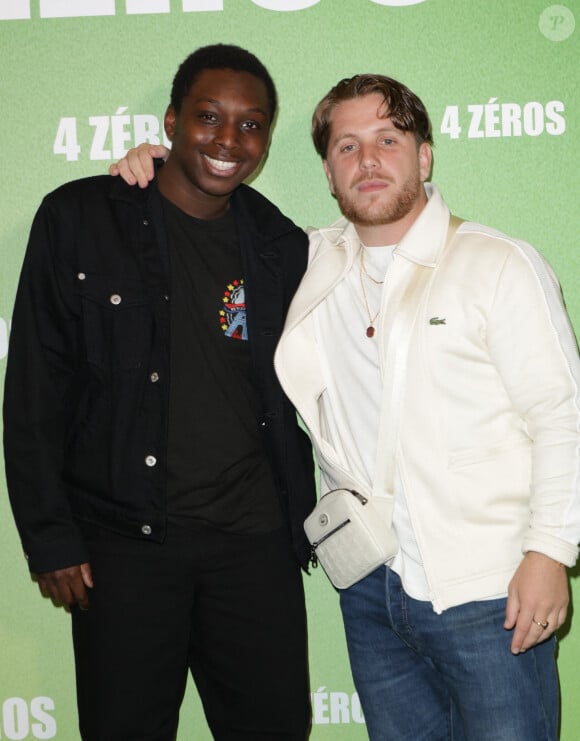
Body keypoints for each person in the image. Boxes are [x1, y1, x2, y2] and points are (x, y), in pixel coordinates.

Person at [3, 44, 316, 741]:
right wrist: (49, 536)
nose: (229, 140)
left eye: (251, 124)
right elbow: (34, 389)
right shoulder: (79, 218)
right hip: (123, 549)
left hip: (255, 549)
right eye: (208, 117)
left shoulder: (282, 246)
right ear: (172, 120)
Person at [273, 73, 580, 740]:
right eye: (347, 146)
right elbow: (210, 218)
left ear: (424, 154)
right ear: (328, 172)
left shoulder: (498, 263)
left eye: (388, 138)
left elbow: (561, 413)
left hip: (490, 589)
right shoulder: (310, 261)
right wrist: (153, 164)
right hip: (368, 590)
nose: (369, 160)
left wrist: (550, 551)